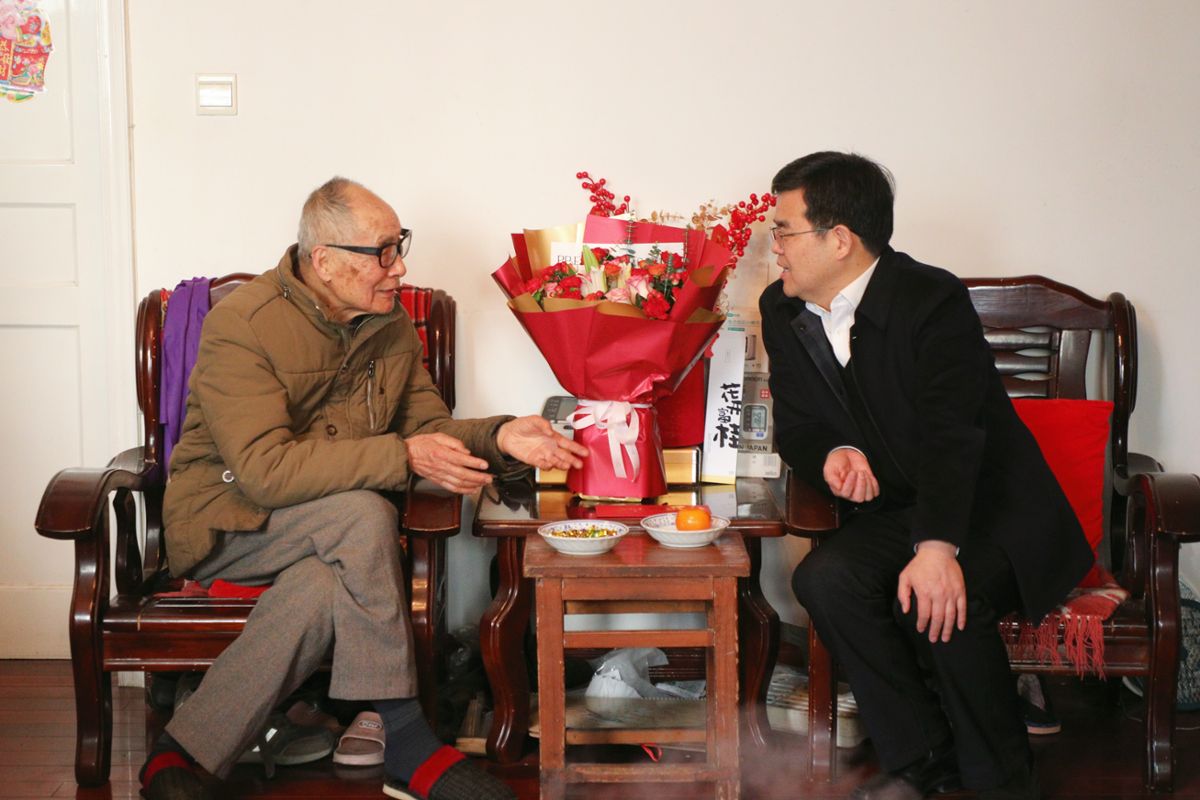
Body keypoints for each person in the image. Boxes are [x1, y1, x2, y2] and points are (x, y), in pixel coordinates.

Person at [139, 177, 588, 800]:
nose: (399, 267)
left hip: (325, 541)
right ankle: (405, 738)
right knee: (363, 513)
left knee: (322, 583)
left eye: (399, 246)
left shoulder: (389, 324)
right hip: (231, 521)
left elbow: (427, 427)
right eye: (382, 252)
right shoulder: (242, 326)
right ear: (324, 260)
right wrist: (401, 455)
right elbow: (265, 471)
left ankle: (178, 754)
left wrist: (501, 435)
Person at [758, 152, 1093, 800]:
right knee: (825, 579)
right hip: (898, 511)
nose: (774, 246)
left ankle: (1003, 784)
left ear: (839, 239)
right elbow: (796, 424)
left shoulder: (931, 299)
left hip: (991, 510)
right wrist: (831, 452)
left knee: (938, 600)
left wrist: (937, 549)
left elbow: (952, 433)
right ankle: (928, 766)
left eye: (784, 230)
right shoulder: (784, 308)